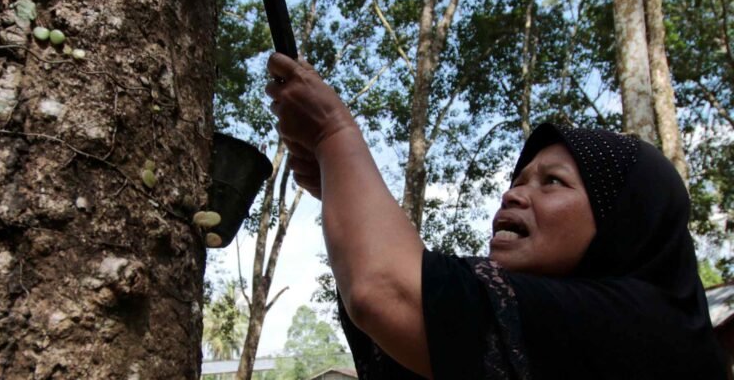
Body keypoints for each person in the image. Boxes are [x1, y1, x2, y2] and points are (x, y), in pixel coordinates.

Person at [264, 52, 727, 379]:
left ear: (625, 224)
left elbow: (387, 291)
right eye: (519, 179)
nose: (514, 195)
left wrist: (333, 132)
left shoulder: (641, 327)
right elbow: (420, 336)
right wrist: (340, 187)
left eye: (553, 182)